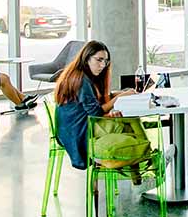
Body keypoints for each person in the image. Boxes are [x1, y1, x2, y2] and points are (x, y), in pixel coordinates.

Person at [53, 40, 137, 168]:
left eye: (106, 61)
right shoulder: (81, 80)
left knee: (127, 124)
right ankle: (144, 164)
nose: (103, 65)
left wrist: (117, 94)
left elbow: (92, 99)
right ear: (86, 58)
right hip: (78, 133)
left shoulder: (78, 75)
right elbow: (96, 112)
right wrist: (118, 98)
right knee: (128, 124)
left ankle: (137, 169)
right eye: (99, 60)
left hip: (72, 129)